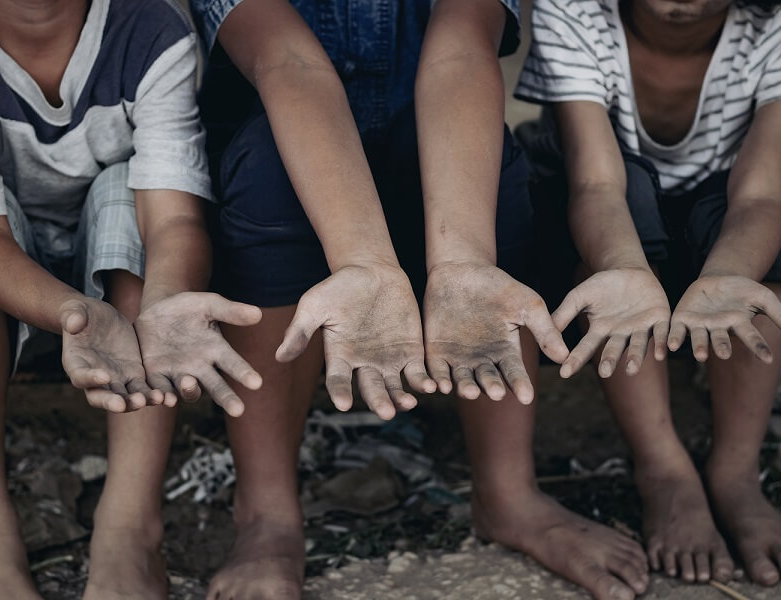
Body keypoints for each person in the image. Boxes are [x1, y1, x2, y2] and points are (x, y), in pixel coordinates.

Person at [193, 0, 653, 598]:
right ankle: (267, 511)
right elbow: (287, 62)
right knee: (266, 175)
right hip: (285, 124)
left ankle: (509, 493)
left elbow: (463, 47)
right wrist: (365, 265)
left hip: (437, 122)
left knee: (490, 169)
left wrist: (464, 263)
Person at [0, 0, 264, 598]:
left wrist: (162, 304)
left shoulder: (150, 29)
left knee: (128, 197)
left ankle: (130, 527)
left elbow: (174, 219)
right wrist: (73, 314)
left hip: (110, 245)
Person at [516, 0, 781, 591]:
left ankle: (735, 471)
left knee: (771, 228)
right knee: (627, 193)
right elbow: (596, 181)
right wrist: (624, 268)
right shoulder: (572, 12)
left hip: (721, 212)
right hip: (600, 209)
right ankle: (664, 470)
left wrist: (727, 275)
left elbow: (757, 197)